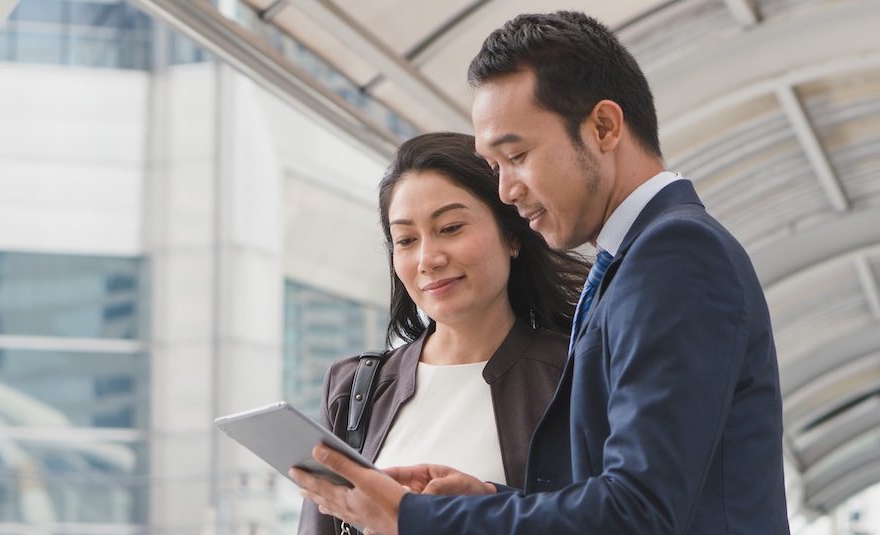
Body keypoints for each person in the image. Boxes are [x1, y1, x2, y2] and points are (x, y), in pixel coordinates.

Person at [291, 10, 791, 535]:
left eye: (518, 155)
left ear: (603, 127)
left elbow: (639, 511)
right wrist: (488, 498)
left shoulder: (676, 254)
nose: (507, 190)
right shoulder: (638, 260)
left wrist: (415, 516)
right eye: (496, 167)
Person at [296, 131, 589, 535]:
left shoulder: (574, 374)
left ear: (513, 235)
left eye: (450, 228)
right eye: (406, 240)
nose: (428, 259)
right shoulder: (356, 388)